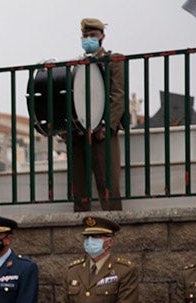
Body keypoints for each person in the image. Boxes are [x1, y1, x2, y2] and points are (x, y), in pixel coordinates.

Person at [70, 18, 125, 212]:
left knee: (108, 185)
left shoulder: (113, 60)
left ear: (102, 36)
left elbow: (118, 96)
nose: (88, 39)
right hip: (79, 132)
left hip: (103, 133)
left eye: (93, 35)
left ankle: (113, 230)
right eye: (85, 36)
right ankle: (82, 230)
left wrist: (106, 126)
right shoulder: (77, 64)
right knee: (79, 188)